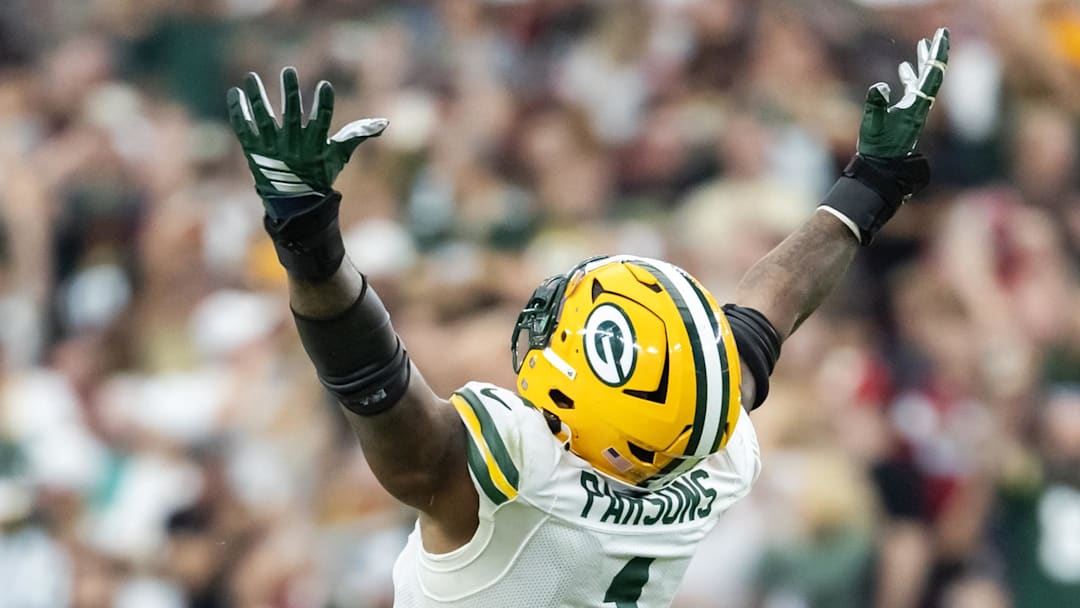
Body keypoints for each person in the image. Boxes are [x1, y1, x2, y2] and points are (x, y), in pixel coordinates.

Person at [225, 27, 949, 608]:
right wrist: (868, 188)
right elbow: (771, 309)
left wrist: (310, 246)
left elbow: (373, 380)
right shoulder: (712, 457)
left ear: (582, 400)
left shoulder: (514, 477)